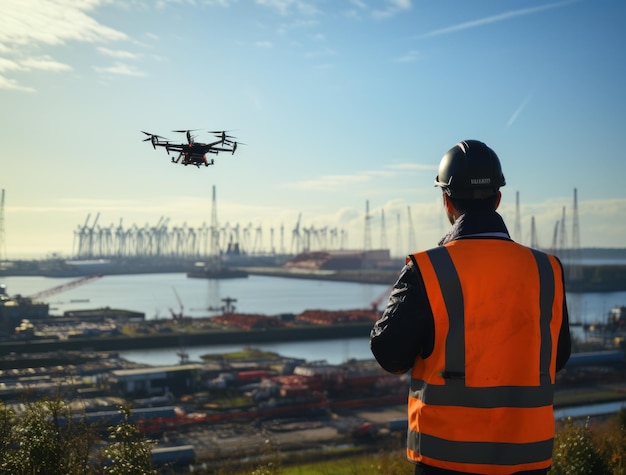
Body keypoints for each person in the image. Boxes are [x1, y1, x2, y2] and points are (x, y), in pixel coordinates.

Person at [370, 139, 571, 475]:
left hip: (444, 460)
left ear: (446, 200)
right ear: (498, 199)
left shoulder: (428, 270)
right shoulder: (547, 270)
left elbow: (389, 355)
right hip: (528, 458)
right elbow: (559, 357)